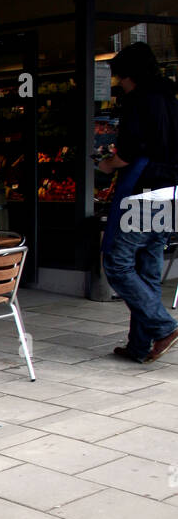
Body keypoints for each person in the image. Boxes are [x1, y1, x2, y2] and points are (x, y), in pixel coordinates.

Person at [98, 41, 178, 364]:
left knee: (116, 263)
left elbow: (127, 153)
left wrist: (106, 164)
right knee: (148, 265)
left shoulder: (138, 101)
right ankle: (138, 345)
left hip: (145, 192)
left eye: (121, 78)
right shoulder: (171, 100)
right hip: (172, 191)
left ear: (130, 75)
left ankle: (164, 327)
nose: (120, 84)